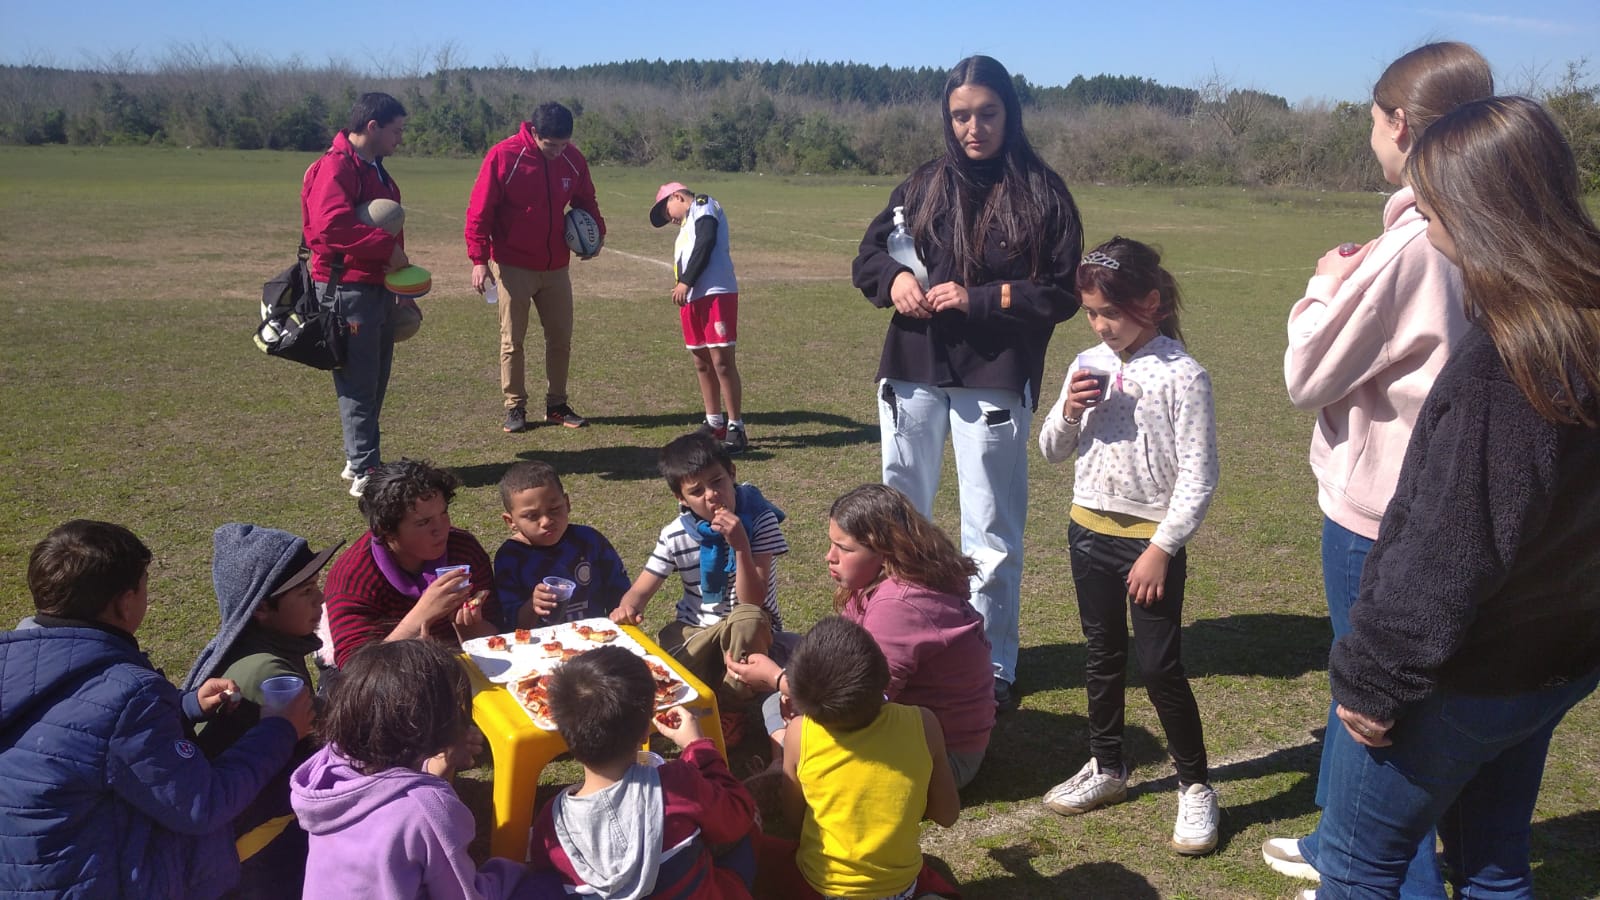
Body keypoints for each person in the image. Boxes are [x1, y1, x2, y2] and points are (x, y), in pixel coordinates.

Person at [1290, 95, 1600, 899]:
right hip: (1557, 660)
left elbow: (1454, 542)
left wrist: (1373, 677)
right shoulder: (1584, 320)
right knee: (1493, 861)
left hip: (1467, 675)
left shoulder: (1511, 369)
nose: (1426, 232)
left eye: (1432, 211)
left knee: (1359, 865)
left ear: (1482, 212)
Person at [1268, 42, 1493, 894]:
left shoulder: (1414, 244)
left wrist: (1325, 283)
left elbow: (1306, 373)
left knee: (1380, 712)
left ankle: (1364, 855)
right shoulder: (1493, 222)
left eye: (1371, 120)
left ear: (1400, 124)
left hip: (1382, 516)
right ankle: (1335, 840)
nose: (1371, 135)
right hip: (1458, 506)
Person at [851, 54, 1083, 711]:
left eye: (986, 114)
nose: (972, 128)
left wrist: (983, 300)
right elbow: (868, 256)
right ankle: (897, 647)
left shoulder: (1043, 193)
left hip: (994, 379)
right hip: (912, 371)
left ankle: (991, 664)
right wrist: (893, 280)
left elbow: (1063, 292)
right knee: (900, 521)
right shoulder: (920, 185)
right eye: (960, 116)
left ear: (1010, 114)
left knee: (989, 528)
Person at [0, 520, 313, 898]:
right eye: (145, 585)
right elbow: (203, 802)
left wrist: (185, 706)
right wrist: (279, 729)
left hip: (27, 875)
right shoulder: (128, 696)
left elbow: (75, 732)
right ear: (123, 601)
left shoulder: (14, 665)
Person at [1036, 237, 1222, 856]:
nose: (1100, 325)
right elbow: (1051, 451)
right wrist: (1066, 410)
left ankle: (1196, 786)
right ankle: (1107, 768)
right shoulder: (1086, 363)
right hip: (1088, 531)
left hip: (1149, 545)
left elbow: (1199, 475)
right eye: (1090, 312)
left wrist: (1162, 548)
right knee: (1101, 654)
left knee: (1160, 665)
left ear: (1152, 302)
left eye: (1110, 313)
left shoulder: (1183, 375)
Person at [727, 483, 996, 789]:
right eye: (832, 544)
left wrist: (779, 679)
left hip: (942, 760)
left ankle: (789, 774)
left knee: (793, 716)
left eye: (844, 548)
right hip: (916, 733)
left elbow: (862, 703)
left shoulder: (898, 603)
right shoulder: (889, 581)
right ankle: (785, 765)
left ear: (885, 550)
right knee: (781, 677)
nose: (829, 556)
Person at [291, 639, 552, 899]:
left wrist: (435, 768)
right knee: (545, 888)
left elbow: (387, 804)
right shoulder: (427, 811)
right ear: (437, 727)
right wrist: (514, 872)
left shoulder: (326, 770)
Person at [182, 524, 343, 899]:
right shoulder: (269, 670)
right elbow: (332, 743)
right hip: (258, 840)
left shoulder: (269, 647)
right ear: (261, 610)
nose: (320, 598)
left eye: (316, 585)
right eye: (305, 592)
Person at [754, 617, 960, 900]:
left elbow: (795, 819)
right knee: (933, 875)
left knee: (757, 854)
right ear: (883, 673)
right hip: (900, 887)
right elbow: (947, 815)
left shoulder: (800, 733)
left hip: (821, 887)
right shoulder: (923, 724)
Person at [529, 645, 759, 898]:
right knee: (746, 831)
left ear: (563, 731)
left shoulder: (552, 821)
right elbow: (738, 815)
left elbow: (543, 870)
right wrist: (698, 748)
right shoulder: (677, 784)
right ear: (643, 731)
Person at [610, 432, 789, 741]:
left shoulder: (759, 520)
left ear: (732, 474)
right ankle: (700, 696)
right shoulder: (676, 534)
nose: (712, 495)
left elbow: (753, 600)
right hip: (698, 633)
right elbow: (641, 590)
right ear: (681, 498)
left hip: (749, 634)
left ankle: (729, 706)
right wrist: (628, 607)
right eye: (697, 490)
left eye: (717, 481)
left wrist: (741, 547)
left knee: (748, 619)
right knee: (667, 645)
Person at [465, 101, 605, 434]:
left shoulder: (573, 158)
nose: (558, 151)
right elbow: (479, 210)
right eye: (550, 145)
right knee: (513, 339)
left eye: (563, 144)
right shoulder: (504, 156)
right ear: (534, 133)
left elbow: (586, 201)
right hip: (513, 264)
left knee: (561, 338)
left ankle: (557, 405)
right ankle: (515, 407)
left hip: (556, 265)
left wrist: (596, 235)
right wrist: (479, 260)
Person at [302, 91, 409, 497]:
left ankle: (357, 459)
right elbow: (330, 228)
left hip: (377, 284)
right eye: (395, 131)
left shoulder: (375, 168)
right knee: (358, 381)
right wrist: (387, 252)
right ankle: (366, 468)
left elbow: (389, 229)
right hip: (347, 288)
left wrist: (404, 286)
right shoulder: (336, 167)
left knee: (376, 378)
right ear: (372, 127)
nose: (399, 139)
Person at [321, 459, 496, 668]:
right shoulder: (354, 577)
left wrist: (468, 626)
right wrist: (423, 614)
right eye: (423, 522)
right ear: (387, 530)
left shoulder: (464, 551)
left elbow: (499, 637)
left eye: (444, 513)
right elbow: (355, 672)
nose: (441, 529)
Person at [649, 181, 749, 454]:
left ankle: (735, 426)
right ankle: (714, 421)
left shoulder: (704, 205)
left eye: (666, 210)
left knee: (722, 360)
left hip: (716, 293)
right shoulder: (684, 227)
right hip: (692, 300)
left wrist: (686, 282)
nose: (668, 218)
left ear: (678, 196)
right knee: (701, 361)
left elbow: (706, 242)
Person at [491, 460, 631, 629]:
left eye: (554, 509)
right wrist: (533, 606)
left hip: (595, 639)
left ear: (567, 503)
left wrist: (623, 612)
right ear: (510, 521)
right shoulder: (510, 558)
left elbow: (620, 593)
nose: (546, 521)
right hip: (540, 648)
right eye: (532, 516)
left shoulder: (589, 541)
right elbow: (511, 624)